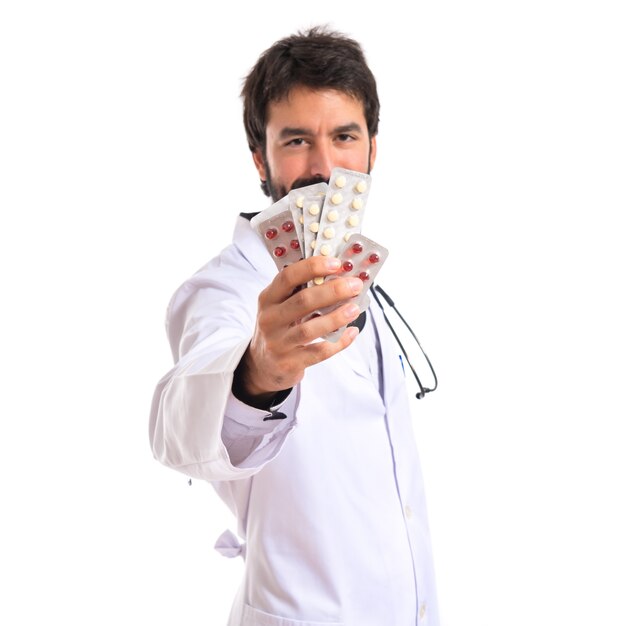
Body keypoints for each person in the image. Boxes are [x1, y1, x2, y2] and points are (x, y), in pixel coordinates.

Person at [149, 26, 440, 626]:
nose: (325, 167)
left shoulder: (358, 273)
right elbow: (181, 423)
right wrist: (258, 372)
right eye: (297, 141)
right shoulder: (224, 290)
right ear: (261, 158)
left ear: (372, 150)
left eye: (343, 136)